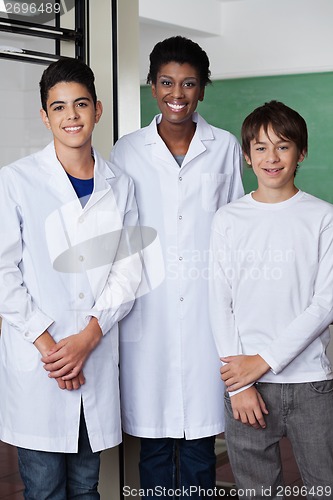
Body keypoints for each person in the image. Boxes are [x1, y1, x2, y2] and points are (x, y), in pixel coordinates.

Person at [0, 57, 141, 499]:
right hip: (40, 363)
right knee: (43, 489)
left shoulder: (121, 184)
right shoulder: (16, 181)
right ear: (45, 116)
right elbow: (4, 272)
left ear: (98, 110)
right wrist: (52, 349)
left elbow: (128, 268)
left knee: (85, 487)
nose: (71, 116)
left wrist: (88, 338)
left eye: (80, 104)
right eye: (59, 107)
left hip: (93, 353)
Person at [110, 36, 244, 497]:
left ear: (203, 89)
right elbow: (121, 235)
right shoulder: (126, 150)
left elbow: (233, 229)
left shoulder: (224, 146)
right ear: (152, 87)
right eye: (167, 82)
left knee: (200, 447)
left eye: (189, 83)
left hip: (208, 313)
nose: (178, 94)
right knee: (153, 445)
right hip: (149, 309)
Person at [209, 100, 333, 499]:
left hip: (311, 382)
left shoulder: (322, 217)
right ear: (247, 156)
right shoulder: (228, 219)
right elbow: (219, 302)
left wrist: (263, 361)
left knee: (323, 488)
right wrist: (237, 386)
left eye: (283, 145)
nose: (272, 157)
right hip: (246, 385)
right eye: (260, 147)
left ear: (301, 152)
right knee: (256, 492)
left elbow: (325, 304)